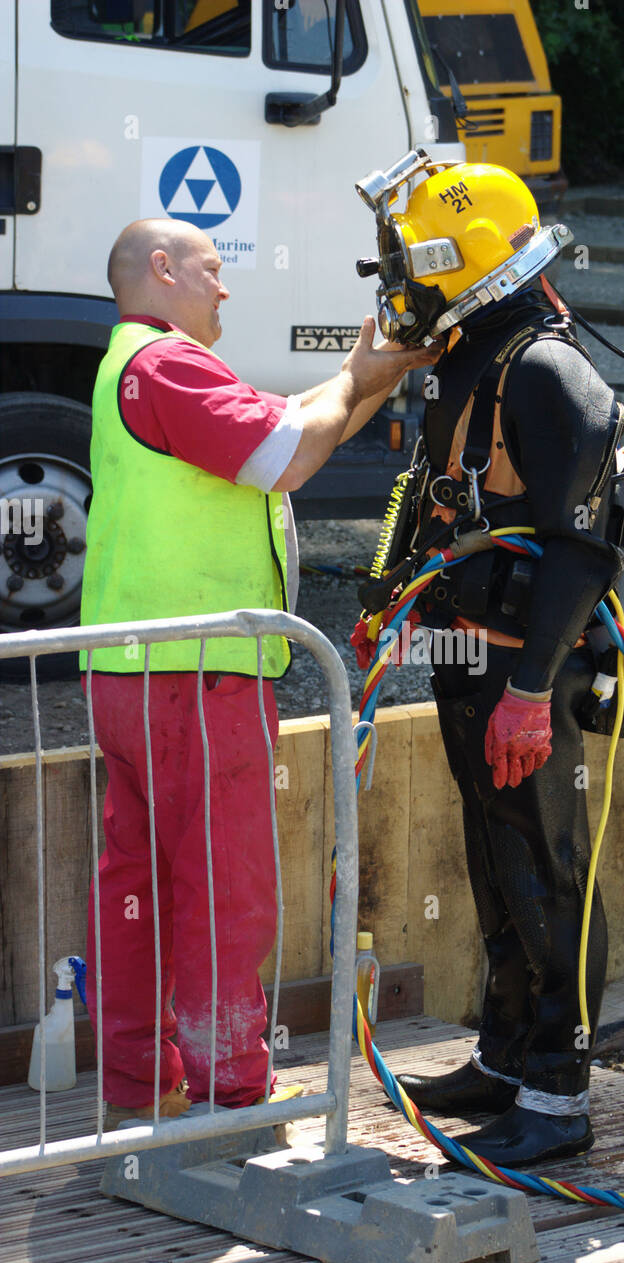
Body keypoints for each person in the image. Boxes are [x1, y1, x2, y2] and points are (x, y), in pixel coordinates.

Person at [81, 217, 438, 1129]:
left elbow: (288, 437)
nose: (225, 288)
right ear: (162, 270)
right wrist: (361, 379)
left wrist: (371, 378)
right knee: (222, 888)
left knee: (138, 886)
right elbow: (282, 453)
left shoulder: (132, 361)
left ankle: (140, 1088)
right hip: (198, 679)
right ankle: (229, 1093)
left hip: (129, 673)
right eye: (212, 269)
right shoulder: (169, 365)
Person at [352, 156, 624, 1166]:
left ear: (469, 265)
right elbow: (425, 494)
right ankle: (505, 1058)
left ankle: (560, 1097)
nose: (404, 292)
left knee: (551, 874)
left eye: (419, 269)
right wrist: (388, 601)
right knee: (497, 863)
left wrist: (526, 692)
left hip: (527, 675)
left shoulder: (548, 372)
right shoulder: (473, 351)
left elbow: (583, 548)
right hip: (470, 660)